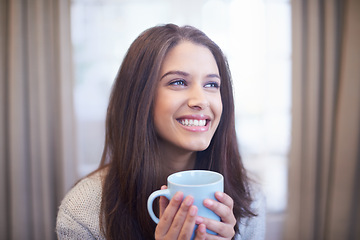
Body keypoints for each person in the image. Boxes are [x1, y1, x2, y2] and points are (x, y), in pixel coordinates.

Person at [56, 24, 266, 239]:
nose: (201, 100)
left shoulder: (249, 197)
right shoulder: (82, 212)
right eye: (178, 82)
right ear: (139, 97)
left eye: (212, 84)